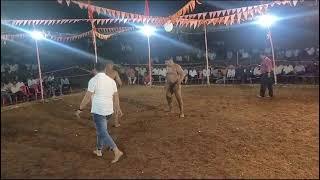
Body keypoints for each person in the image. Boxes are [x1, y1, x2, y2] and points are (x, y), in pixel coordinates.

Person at [75, 61, 123, 163]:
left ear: (95, 69)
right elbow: (116, 96)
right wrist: (117, 108)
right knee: (101, 131)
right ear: (105, 69)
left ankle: (116, 151)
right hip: (109, 111)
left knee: (102, 131)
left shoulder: (93, 80)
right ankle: (99, 150)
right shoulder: (111, 81)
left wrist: (80, 109)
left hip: (99, 111)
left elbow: (87, 97)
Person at [105, 62, 122, 128]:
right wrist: (118, 86)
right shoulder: (115, 72)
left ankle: (105, 122)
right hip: (112, 91)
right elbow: (120, 83)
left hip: (104, 91)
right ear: (111, 66)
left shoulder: (103, 72)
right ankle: (116, 123)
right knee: (116, 106)